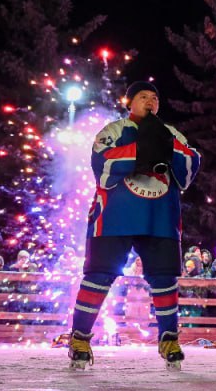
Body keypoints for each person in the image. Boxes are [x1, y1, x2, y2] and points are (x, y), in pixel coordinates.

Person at [67, 80, 201, 369]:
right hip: (114, 217)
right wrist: (141, 150)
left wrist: (165, 143)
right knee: (98, 275)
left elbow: (191, 163)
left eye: (154, 98)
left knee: (165, 279)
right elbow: (101, 163)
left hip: (160, 218)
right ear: (129, 102)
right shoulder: (114, 130)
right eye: (143, 97)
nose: (150, 101)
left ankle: (169, 339)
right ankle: (79, 338)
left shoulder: (171, 132)